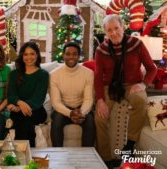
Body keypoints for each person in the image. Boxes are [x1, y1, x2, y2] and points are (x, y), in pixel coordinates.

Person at [94, 14, 157, 167]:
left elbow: (151, 69)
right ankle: (106, 158)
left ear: (123, 27)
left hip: (132, 84)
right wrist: (100, 100)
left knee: (141, 101)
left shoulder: (136, 44)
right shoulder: (101, 50)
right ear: (105, 32)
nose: (114, 33)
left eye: (116, 28)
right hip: (111, 87)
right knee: (99, 118)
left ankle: (130, 144)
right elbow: (97, 77)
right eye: (109, 30)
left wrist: (143, 84)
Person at [50, 42, 95, 147]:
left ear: (79, 56)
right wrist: (70, 113)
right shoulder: (54, 74)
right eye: (68, 54)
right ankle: (57, 155)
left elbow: (88, 99)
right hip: (62, 108)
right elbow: (56, 102)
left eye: (75, 54)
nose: (71, 57)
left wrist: (81, 113)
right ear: (64, 55)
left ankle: (86, 156)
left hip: (81, 108)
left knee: (90, 121)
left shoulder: (88, 73)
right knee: (56, 122)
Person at [7, 41, 49, 147]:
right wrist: (19, 103)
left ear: (37, 55)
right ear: (21, 56)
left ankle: (20, 153)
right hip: (17, 110)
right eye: (25, 54)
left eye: (32, 54)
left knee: (25, 118)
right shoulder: (14, 74)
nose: (29, 57)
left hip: (37, 110)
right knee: (25, 121)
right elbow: (11, 94)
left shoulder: (43, 75)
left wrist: (18, 107)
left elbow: (38, 99)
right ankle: (29, 157)